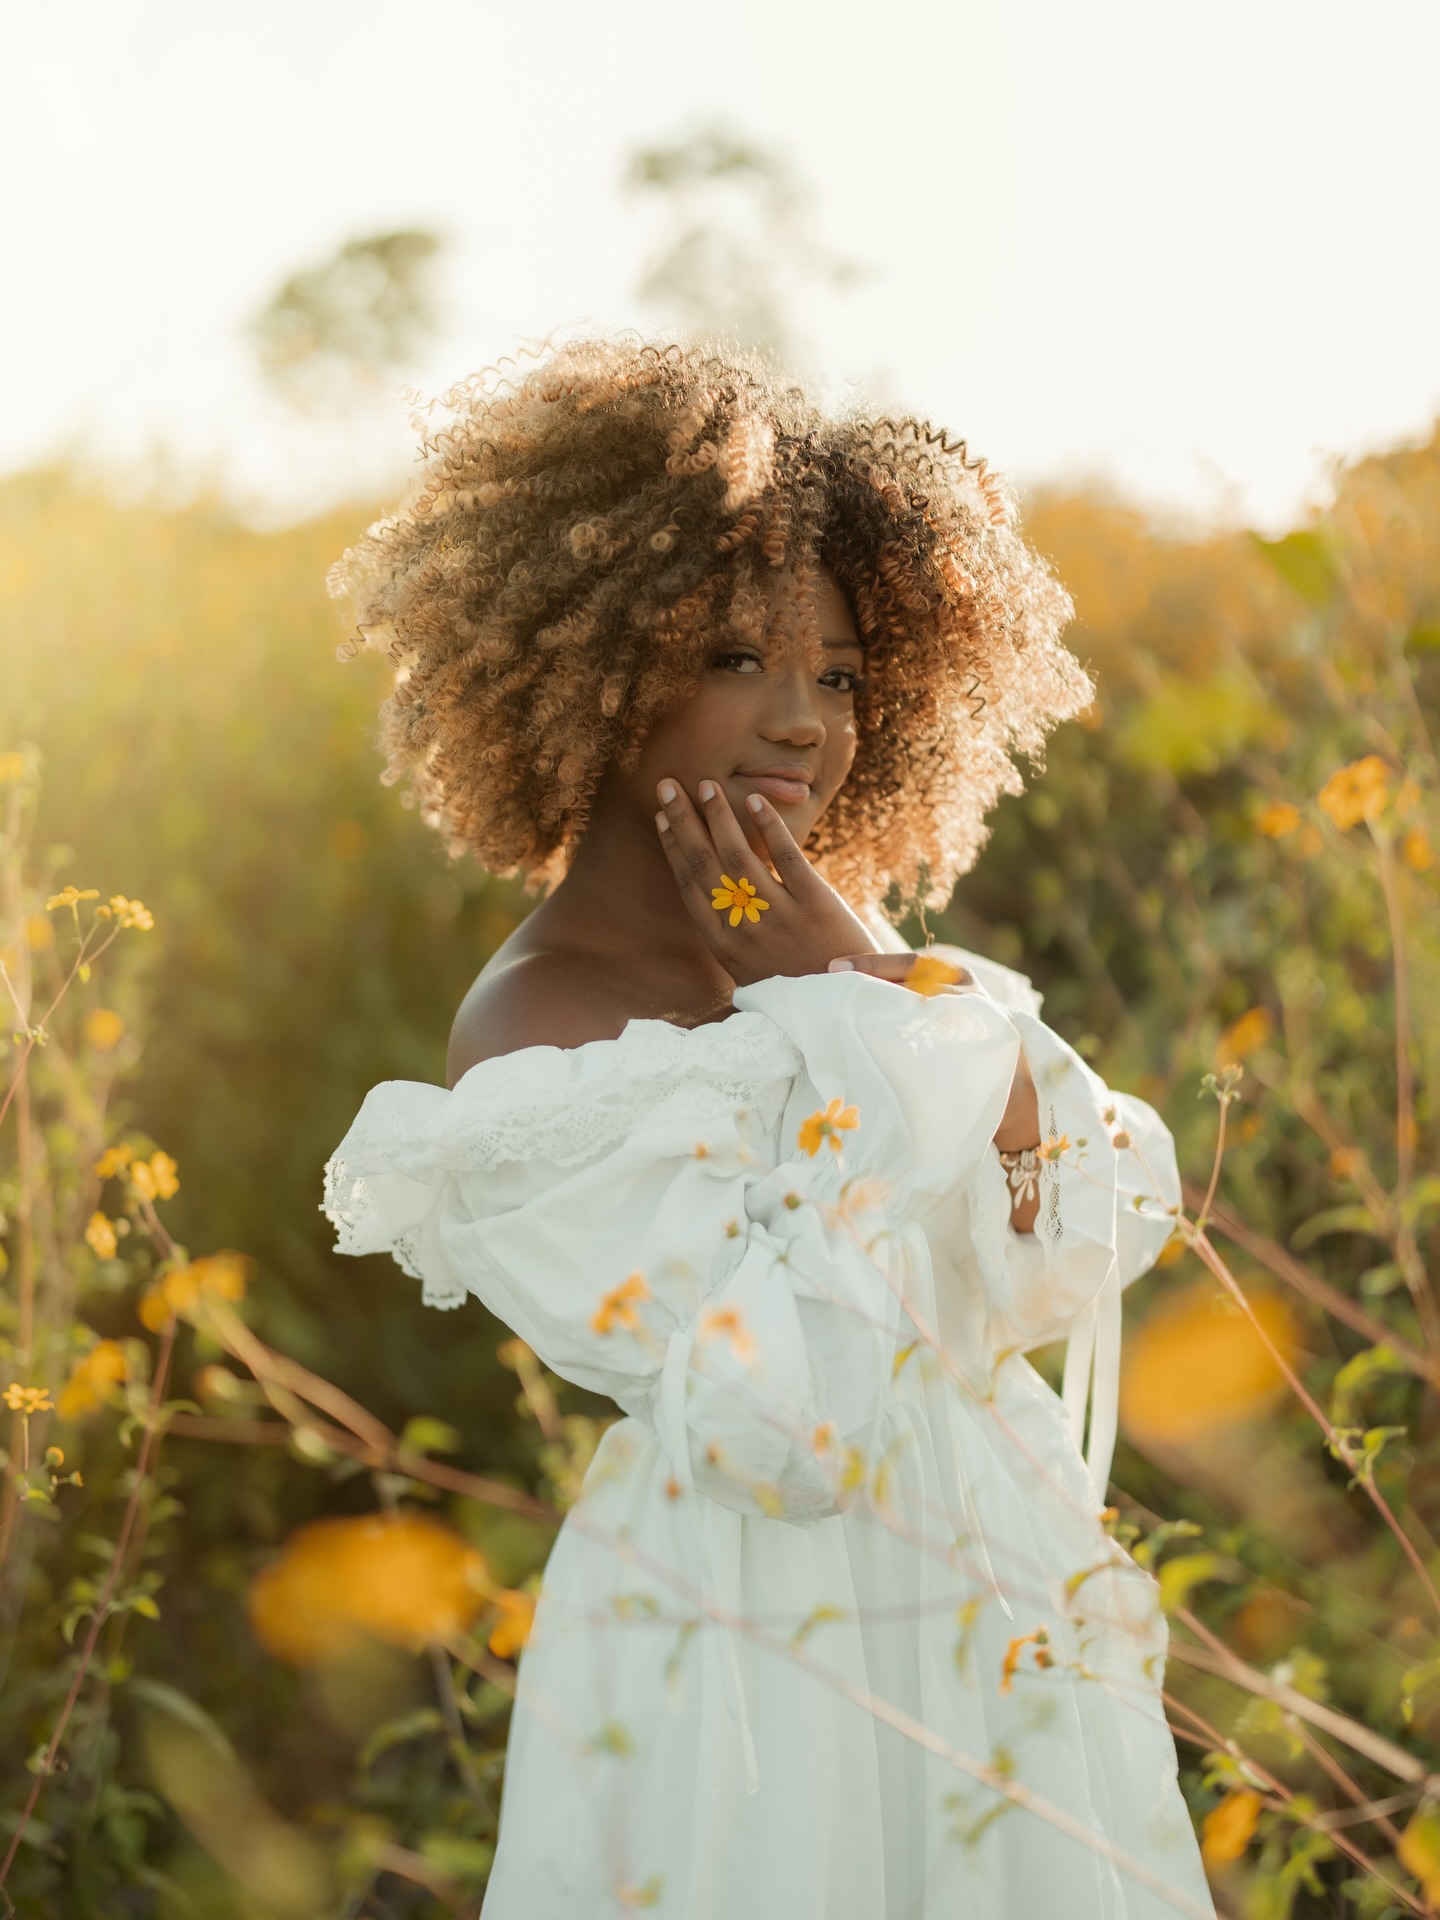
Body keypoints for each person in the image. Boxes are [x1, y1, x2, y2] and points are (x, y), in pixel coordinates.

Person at [323, 339, 1214, 1918]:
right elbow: (790, 1434)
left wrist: (860, 989)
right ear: (587, 664)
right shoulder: (538, 1034)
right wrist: (867, 1025)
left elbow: (1059, 1252)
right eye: (736, 656)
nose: (804, 721)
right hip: (754, 1658)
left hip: (988, 1613)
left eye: (848, 674)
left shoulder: (837, 949)